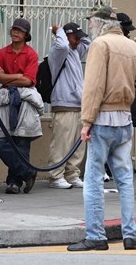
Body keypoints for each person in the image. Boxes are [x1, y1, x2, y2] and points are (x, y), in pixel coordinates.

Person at [67, 6, 136, 251]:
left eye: (92, 23)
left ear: (100, 23)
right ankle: (130, 235)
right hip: (124, 118)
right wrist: (125, 95)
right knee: (124, 179)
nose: (90, 27)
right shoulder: (131, 45)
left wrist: (86, 121)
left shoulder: (100, 45)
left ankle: (95, 236)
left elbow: (92, 87)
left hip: (102, 118)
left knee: (93, 179)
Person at [0, 18, 42, 195]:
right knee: (0, 141)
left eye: (19, 31)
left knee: (21, 142)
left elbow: (28, 80)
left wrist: (8, 76)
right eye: (13, 29)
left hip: (25, 100)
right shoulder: (3, 53)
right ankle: (27, 172)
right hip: (6, 98)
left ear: (26, 34)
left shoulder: (31, 54)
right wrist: (17, 75)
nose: (15, 33)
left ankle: (14, 182)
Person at [46, 22, 90, 189]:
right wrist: (59, 32)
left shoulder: (75, 51)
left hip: (79, 104)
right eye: (75, 37)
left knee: (77, 145)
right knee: (61, 143)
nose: (78, 40)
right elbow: (63, 44)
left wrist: (83, 32)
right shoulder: (59, 52)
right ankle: (55, 176)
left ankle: (72, 174)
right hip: (63, 104)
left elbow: (88, 43)